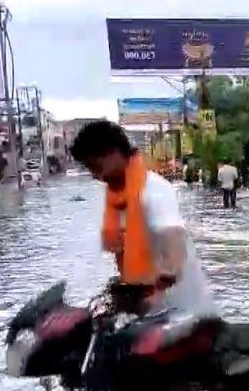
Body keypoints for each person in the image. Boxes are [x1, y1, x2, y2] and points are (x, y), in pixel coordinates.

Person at [67, 120, 216, 317]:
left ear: (113, 153)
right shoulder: (117, 199)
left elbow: (174, 244)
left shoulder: (154, 190)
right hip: (149, 307)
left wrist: (159, 289)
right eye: (90, 169)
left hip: (182, 310)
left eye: (96, 166)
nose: (95, 175)